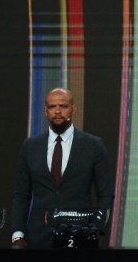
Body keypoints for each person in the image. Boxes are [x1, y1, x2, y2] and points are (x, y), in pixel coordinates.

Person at [11, 87, 114, 248]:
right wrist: (18, 234)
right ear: (45, 111)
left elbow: (105, 194)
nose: (57, 111)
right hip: (38, 237)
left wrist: (95, 229)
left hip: (81, 236)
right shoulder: (30, 146)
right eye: (52, 107)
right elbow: (21, 194)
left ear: (73, 109)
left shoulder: (94, 145)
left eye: (63, 106)